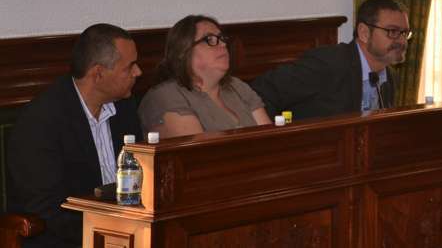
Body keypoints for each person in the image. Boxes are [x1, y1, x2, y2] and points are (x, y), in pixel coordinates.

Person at [7, 24, 143, 248]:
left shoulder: (124, 108)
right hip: (66, 240)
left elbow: (140, 177)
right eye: (130, 67)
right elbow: (48, 209)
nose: (138, 72)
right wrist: (110, 236)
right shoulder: (42, 121)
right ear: (98, 73)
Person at [250, 0, 411, 121]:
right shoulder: (328, 64)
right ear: (364, 33)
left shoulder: (388, 77)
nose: (402, 41)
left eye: (405, 33)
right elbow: (260, 92)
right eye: (393, 32)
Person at [138, 15, 271, 138]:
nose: (223, 44)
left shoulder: (236, 86)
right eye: (210, 39)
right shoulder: (166, 96)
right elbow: (198, 152)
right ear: (184, 50)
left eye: (222, 39)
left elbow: (269, 139)